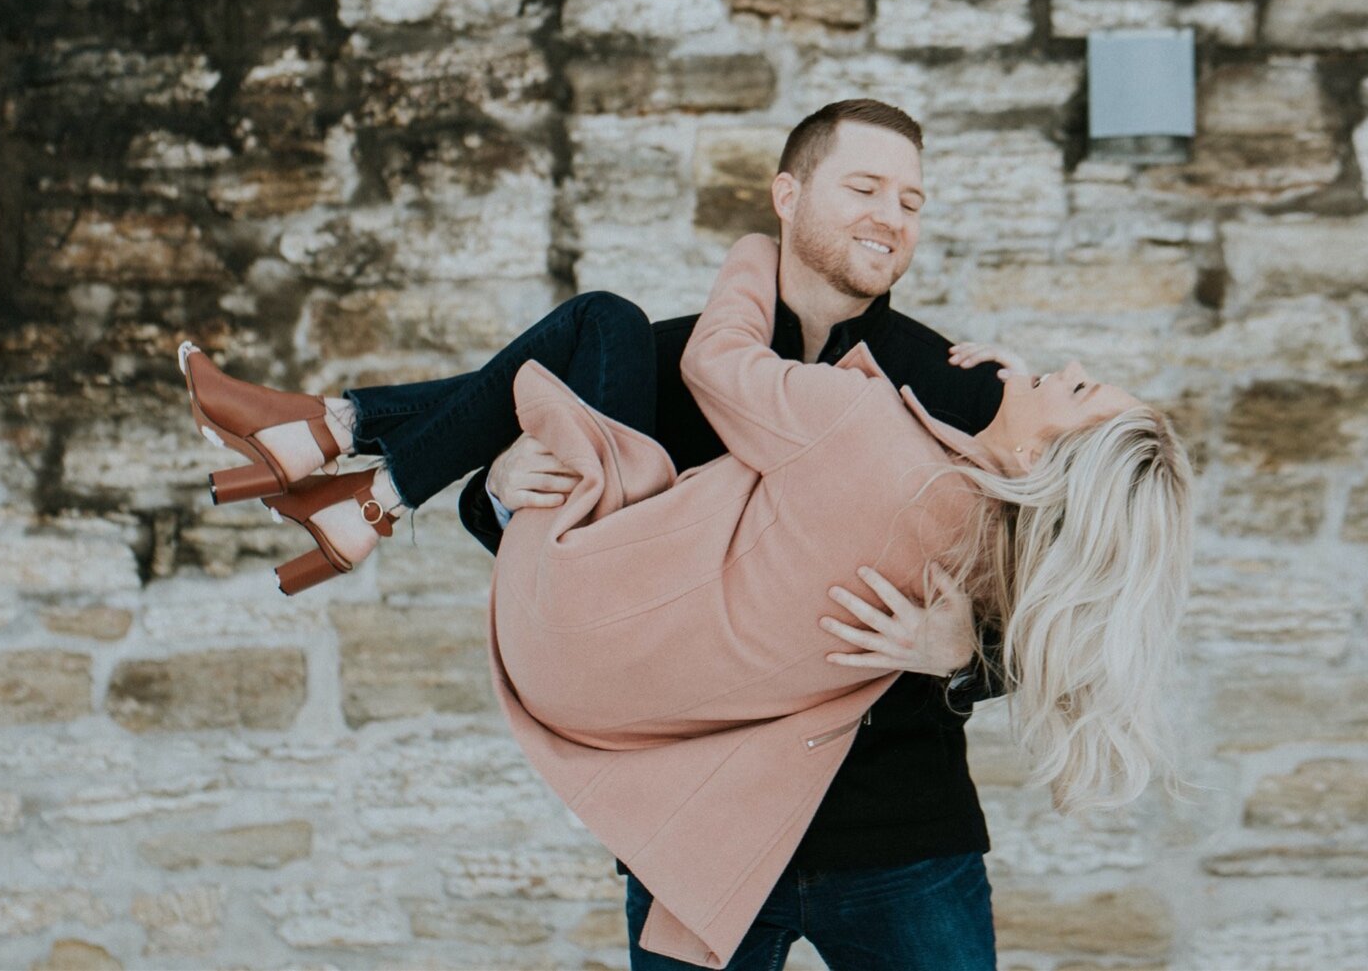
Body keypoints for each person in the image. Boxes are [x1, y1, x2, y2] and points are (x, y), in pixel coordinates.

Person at [176, 101, 1194, 969]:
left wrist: (962, 655)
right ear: (788, 196)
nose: (891, 217)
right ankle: (334, 448)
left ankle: (331, 438)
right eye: (866, 188)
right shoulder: (665, 357)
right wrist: (497, 487)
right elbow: (572, 555)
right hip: (698, 826)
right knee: (562, 360)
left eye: (913, 201)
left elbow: (1078, 570)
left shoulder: (956, 381)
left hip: (896, 831)